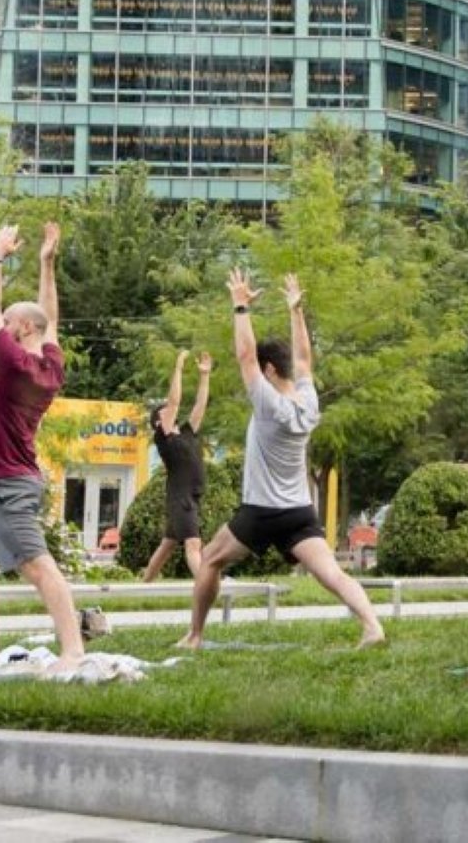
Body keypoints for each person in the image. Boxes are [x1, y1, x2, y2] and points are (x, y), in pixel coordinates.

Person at [178, 270, 385, 650]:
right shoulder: (308, 401)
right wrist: (296, 309)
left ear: (270, 370)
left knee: (209, 561)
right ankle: (372, 627)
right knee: (332, 574)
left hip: (260, 512)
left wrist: (240, 307)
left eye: (262, 368)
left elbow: (245, 356)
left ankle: (194, 636)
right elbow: (304, 358)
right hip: (298, 511)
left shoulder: (269, 403)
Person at [0, 221, 84, 670]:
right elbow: (52, 320)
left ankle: (73, 650)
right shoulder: (49, 366)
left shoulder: (11, 362)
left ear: (22, 327)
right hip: (9, 480)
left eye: (10, 321)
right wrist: (46, 263)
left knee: (36, 565)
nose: (1, 325)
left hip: (8, 483)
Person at [142, 350, 212, 581]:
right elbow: (174, 402)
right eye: (165, 412)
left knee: (167, 546)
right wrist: (179, 369)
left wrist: (204, 376)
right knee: (193, 543)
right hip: (181, 497)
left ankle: (143, 585)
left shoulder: (186, 433)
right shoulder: (164, 437)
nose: (171, 411)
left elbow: (200, 406)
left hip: (190, 496)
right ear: (158, 422)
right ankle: (206, 585)